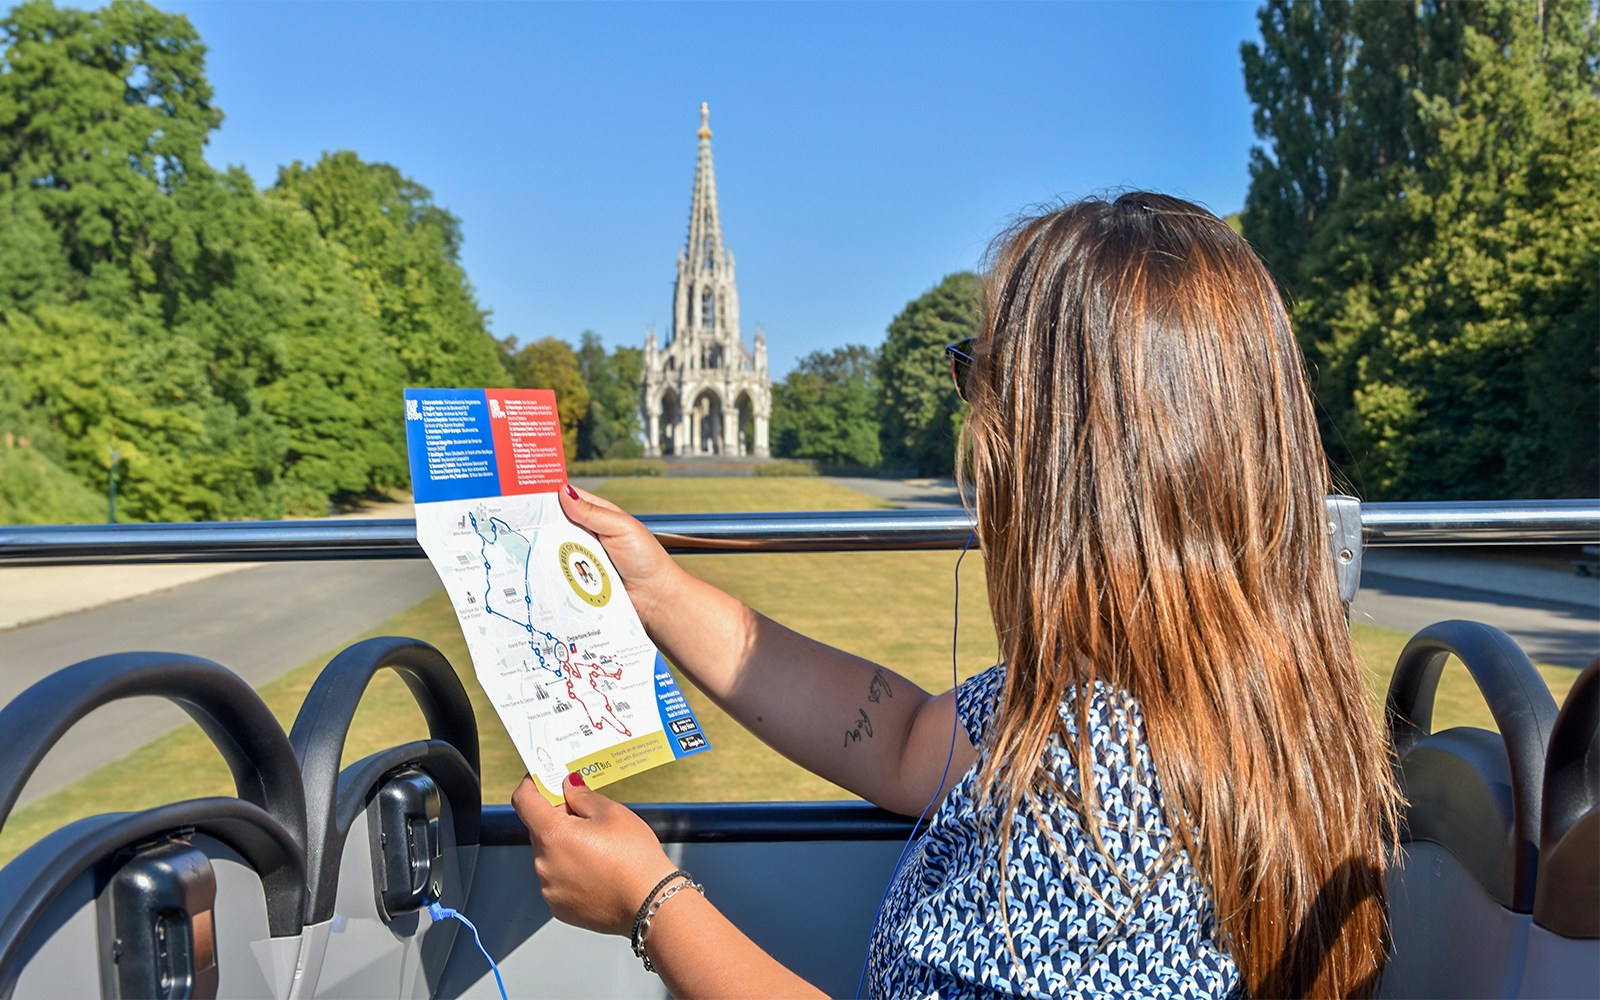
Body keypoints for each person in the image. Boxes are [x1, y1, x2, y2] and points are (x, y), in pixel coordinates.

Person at [513, 192, 1400, 998]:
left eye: (981, 376)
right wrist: (659, 589)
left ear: (1060, 462)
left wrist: (649, 901)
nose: (972, 431)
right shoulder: (1170, 692)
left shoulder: (1105, 795)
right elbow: (901, 741)